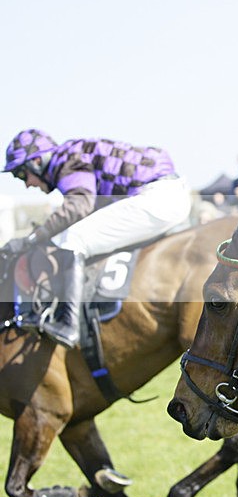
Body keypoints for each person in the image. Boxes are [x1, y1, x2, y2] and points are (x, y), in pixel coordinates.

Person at [2, 129, 192, 348]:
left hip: (157, 197)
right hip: (167, 192)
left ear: (36, 161)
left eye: (21, 175)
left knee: (72, 239)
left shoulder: (67, 161)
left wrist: (31, 239)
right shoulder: (72, 155)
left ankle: (69, 325)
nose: (27, 184)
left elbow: (79, 205)